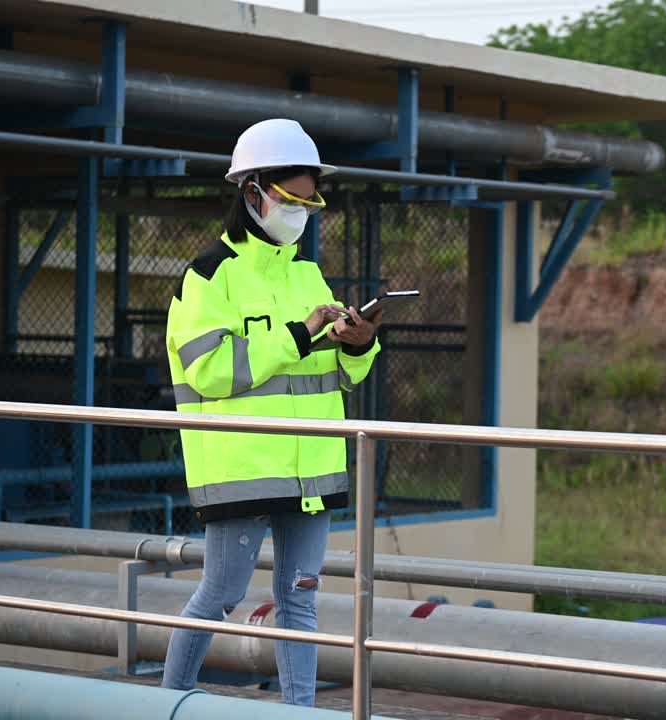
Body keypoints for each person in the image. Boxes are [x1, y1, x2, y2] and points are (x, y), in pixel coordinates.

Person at [161, 118, 381, 706]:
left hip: (311, 464)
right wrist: (297, 334)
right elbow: (209, 369)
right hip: (242, 467)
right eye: (292, 198)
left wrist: (358, 344)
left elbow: (334, 374)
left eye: (312, 201)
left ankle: (300, 714)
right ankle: (163, 702)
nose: (303, 211)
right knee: (221, 594)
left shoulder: (306, 272)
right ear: (253, 192)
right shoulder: (207, 276)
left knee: (300, 597)